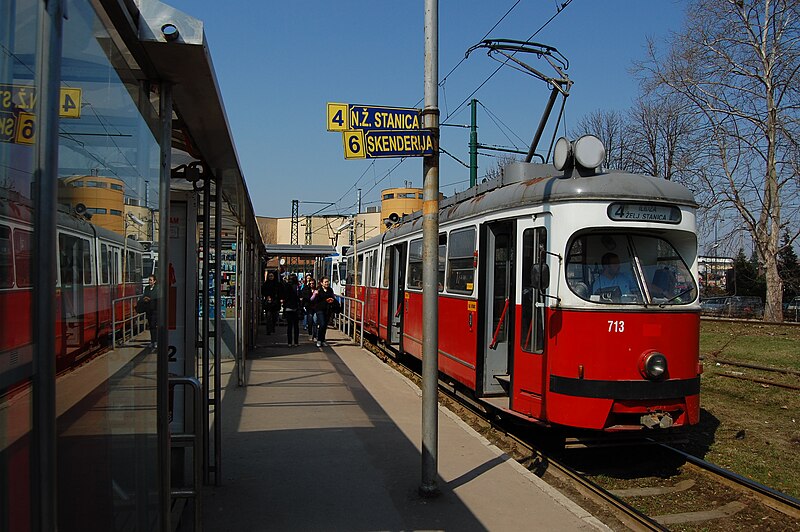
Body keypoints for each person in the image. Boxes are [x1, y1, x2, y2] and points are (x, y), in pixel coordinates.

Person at [311, 277, 338, 348]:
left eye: (327, 282)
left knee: (325, 325)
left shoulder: (330, 290)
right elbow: (313, 300)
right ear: (321, 283)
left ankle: (323, 340)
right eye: (325, 282)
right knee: (322, 324)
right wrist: (315, 294)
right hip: (320, 309)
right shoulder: (318, 290)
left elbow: (333, 298)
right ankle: (319, 340)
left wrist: (332, 300)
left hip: (328, 310)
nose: (327, 283)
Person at [281, 274, 302, 347]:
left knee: (289, 326)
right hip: (295, 307)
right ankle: (296, 342)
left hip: (288, 307)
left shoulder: (286, 286)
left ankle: (289, 342)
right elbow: (299, 297)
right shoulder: (297, 287)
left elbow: (283, 296)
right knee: (296, 326)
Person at [142, 274, 159, 349]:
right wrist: (144, 299)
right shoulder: (146, 288)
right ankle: (152, 341)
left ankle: (155, 341)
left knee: (153, 325)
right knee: (151, 326)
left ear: (154, 281)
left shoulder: (157, 288)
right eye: (149, 280)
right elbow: (144, 296)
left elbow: (157, 297)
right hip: (148, 309)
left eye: (151, 280)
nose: (149, 281)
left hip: (155, 309)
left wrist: (150, 299)